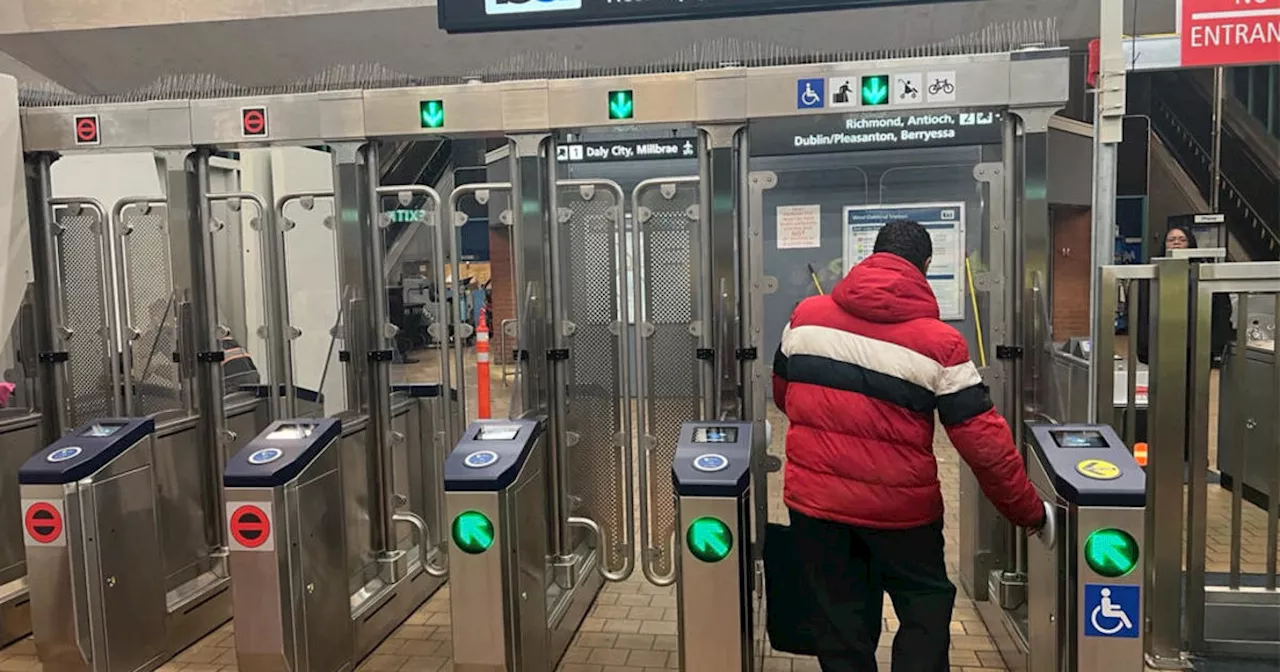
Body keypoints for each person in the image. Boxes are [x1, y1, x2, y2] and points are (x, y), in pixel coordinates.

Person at [771, 219, 1046, 672]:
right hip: (901, 515)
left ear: (870, 255)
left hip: (817, 509)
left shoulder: (805, 318)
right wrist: (1027, 512)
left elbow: (785, 395)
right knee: (924, 610)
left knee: (841, 626)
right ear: (925, 266)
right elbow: (985, 445)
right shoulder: (941, 344)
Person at [1134, 224, 1233, 368]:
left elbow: (1222, 309)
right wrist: (1144, 345)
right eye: (1171, 239)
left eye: (1182, 239)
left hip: (1198, 344)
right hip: (1162, 344)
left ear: (1190, 244)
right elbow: (1142, 311)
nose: (1176, 242)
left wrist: (1215, 343)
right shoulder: (1151, 275)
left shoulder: (1204, 273)